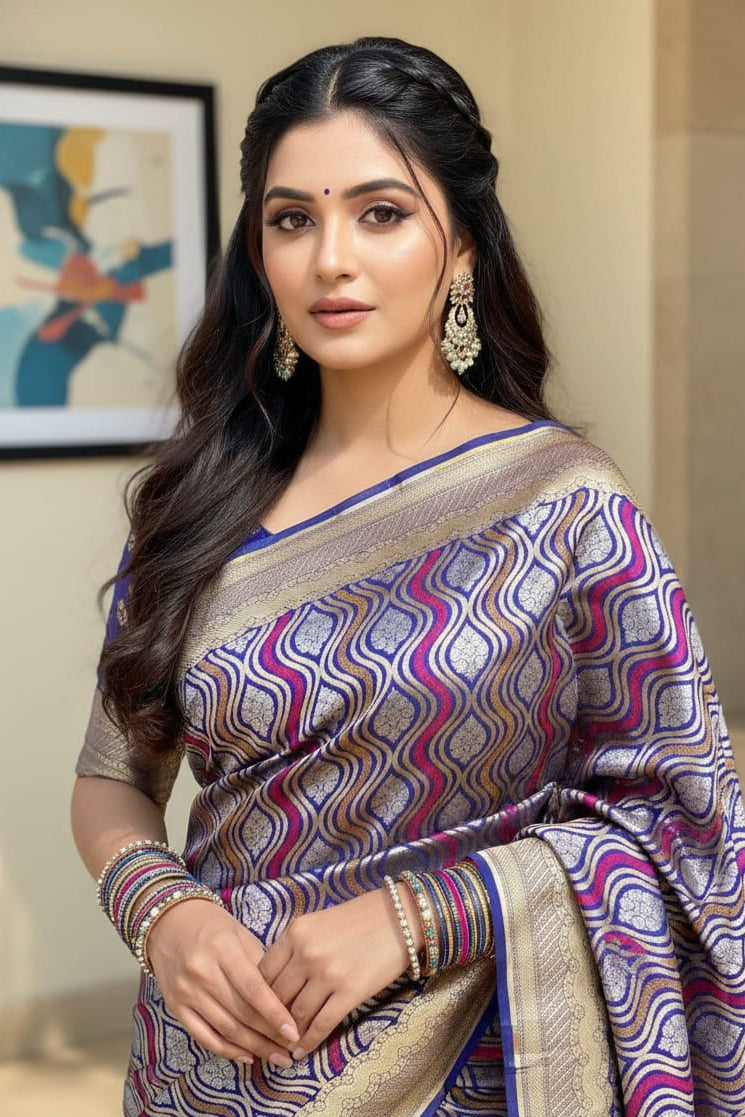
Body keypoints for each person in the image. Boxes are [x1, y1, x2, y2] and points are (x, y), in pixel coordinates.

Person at [71, 36, 745, 1117]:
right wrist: (168, 916)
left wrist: (417, 913)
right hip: (207, 1073)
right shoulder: (194, 503)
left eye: (380, 213)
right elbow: (112, 779)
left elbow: (685, 817)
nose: (329, 258)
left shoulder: (565, 507)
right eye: (292, 218)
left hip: (471, 1069)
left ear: (463, 247)